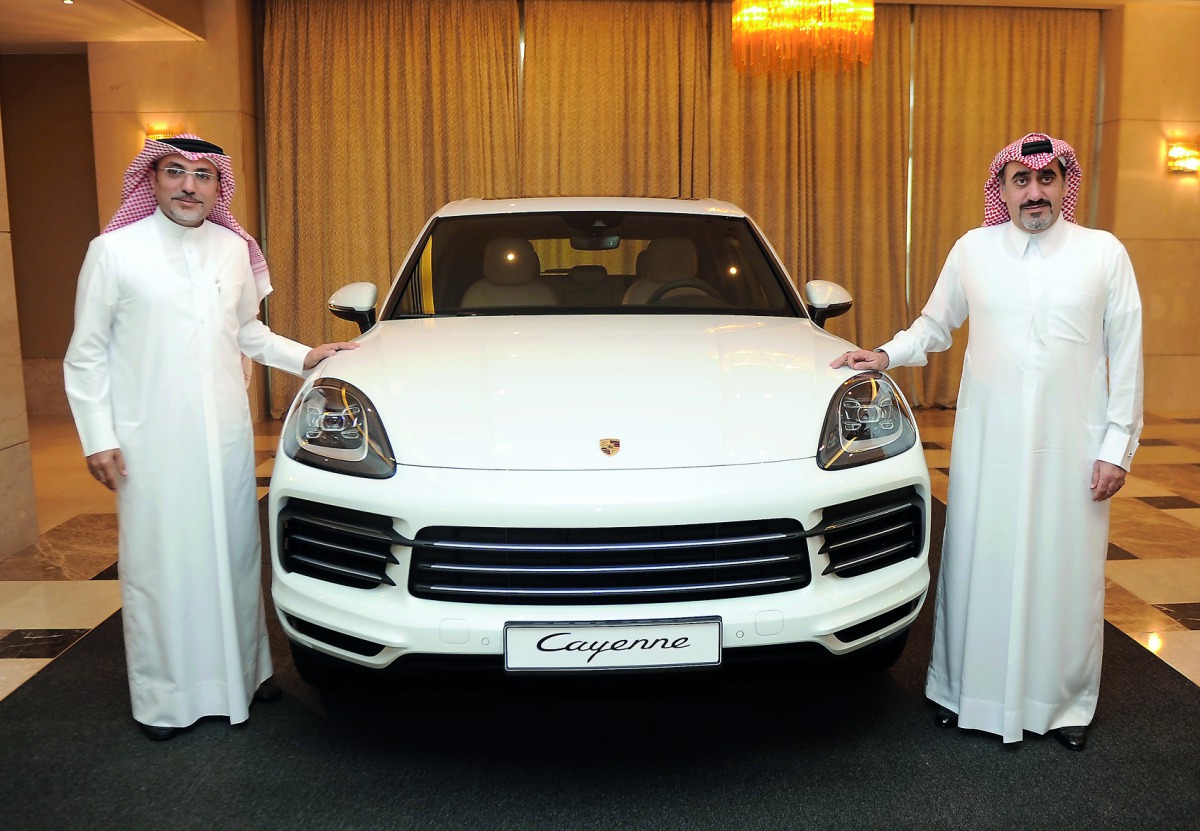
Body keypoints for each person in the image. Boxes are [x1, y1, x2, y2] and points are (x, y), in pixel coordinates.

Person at [831, 132, 1143, 751]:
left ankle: (1064, 706)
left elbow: (1126, 354)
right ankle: (961, 693)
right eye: (1021, 182)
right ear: (1002, 189)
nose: (1034, 193)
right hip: (989, 445)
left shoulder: (1103, 253)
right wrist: (885, 355)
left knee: (1066, 573)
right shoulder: (973, 249)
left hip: (1071, 452)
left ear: (1064, 186)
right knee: (981, 563)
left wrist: (1117, 446)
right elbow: (935, 325)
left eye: (1046, 179)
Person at [64, 134, 357, 741]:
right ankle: (166, 700)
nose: (189, 186)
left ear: (217, 188)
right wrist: (97, 435)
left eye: (203, 176)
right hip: (150, 442)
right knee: (162, 566)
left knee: (233, 556)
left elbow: (248, 331)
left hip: (224, 438)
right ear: (152, 181)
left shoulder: (231, 249)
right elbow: (85, 355)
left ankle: (244, 676)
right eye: (176, 172)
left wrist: (308, 355)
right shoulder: (113, 251)